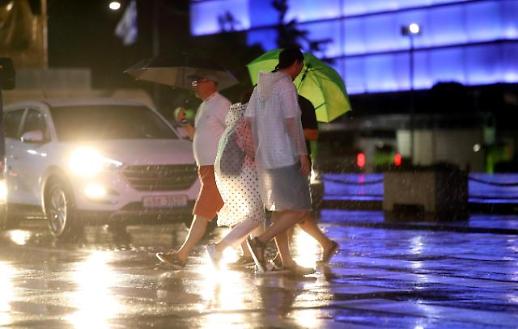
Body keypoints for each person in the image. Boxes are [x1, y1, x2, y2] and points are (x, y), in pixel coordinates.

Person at [244, 47, 314, 274]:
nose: (299, 70)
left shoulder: (259, 87)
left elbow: (249, 120)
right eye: (300, 66)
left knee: (280, 210)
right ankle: (260, 241)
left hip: (266, 156)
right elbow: (292, 122)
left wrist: (255, 150)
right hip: (285, 154)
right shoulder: (285, 86)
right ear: (295, 63)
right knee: (300, 208)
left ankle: (286, 261)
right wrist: (302, 153)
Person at [156, 73, 231, 268]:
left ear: (211, 82)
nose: (195, 85)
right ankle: (251, 251)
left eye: (199, 81)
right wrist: (183, 123)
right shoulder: (203, 106)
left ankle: (182, 255)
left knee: (201, 213)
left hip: (217, 168)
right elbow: (197, 136)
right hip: (206, 168)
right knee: (233, 212)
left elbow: (234, 131)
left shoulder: (221, 104)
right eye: (194, 82)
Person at [205, 94, 265, 268]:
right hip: (244, 172)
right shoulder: (249, 120)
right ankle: (219, 248)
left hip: (227, 173)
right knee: (255, 216)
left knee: (248, 215)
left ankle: (257, 259)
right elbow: (252, 148)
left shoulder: (235, 118)